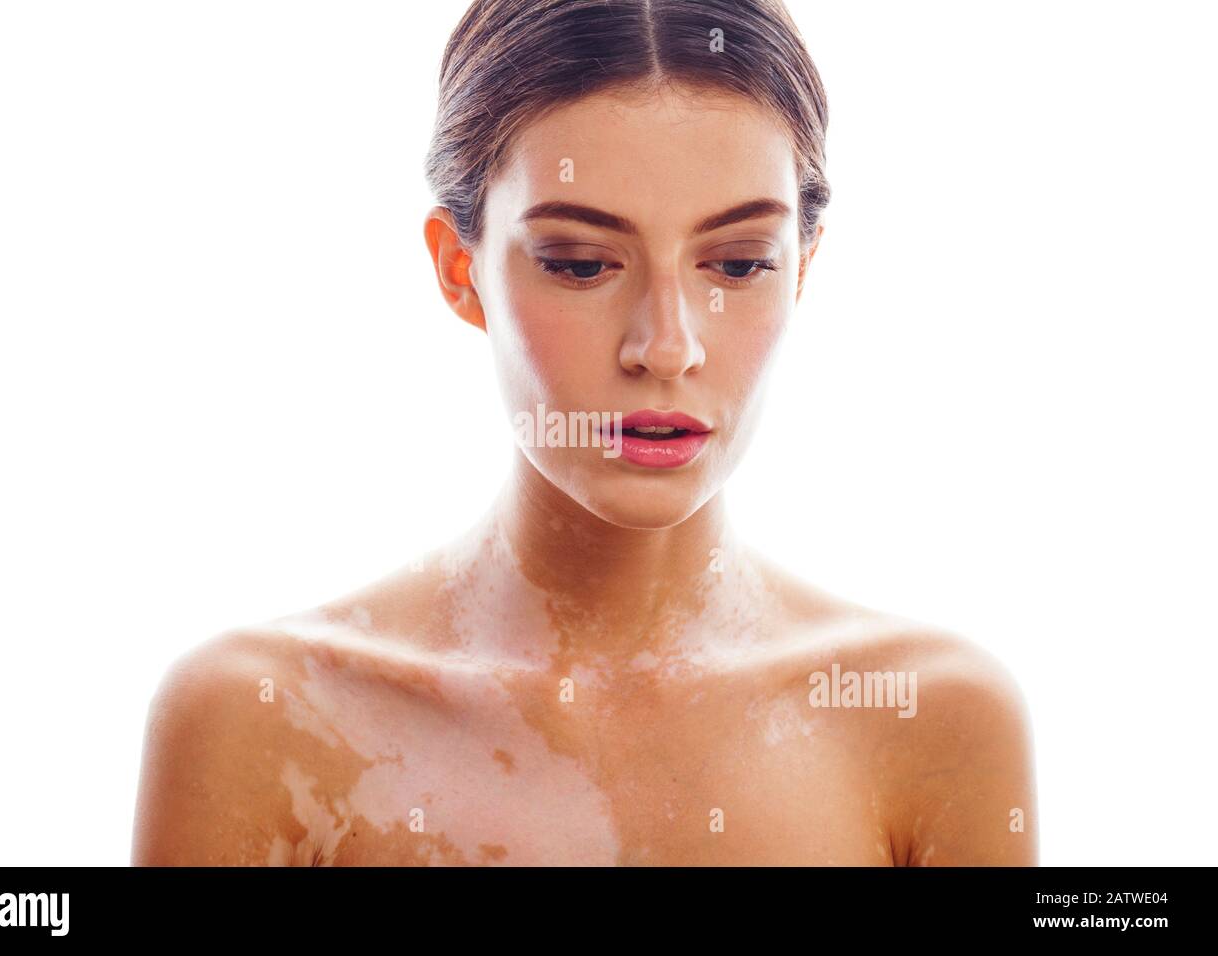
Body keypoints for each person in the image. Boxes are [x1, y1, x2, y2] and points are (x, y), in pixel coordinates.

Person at [132, 0, 1037, 866]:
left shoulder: (932, 722)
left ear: (802, 267)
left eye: (737, 263)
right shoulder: (263, 723)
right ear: (460, 271)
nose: (667, 346)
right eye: (580, 264)